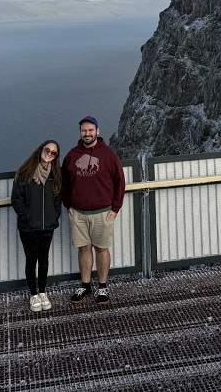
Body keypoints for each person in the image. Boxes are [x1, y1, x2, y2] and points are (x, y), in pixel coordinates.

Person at [62, 115, 125, 305]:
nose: (87, 133)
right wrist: (68, 205)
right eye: (84, 130)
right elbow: (64, 182)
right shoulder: (72, 155)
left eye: (90, 130)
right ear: (80, 133)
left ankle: (103, 286)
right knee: (84, 249)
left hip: (103, 212)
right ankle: (86, 285)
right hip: (78, 213)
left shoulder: (108, 154)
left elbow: (119, 181)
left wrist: (115, 209)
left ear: (97, 131)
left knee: (102, 249)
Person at [10, 139, 63, 312]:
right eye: (47, 150)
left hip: (47, 226)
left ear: (55, 157)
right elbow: (16, 199)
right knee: (31, 259)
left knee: (44, 259)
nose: (49, 153)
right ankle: (33, 295)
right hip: (29, 227)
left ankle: (42, 292)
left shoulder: (55, 175)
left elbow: (57, 198)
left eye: (53, 152)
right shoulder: (25, 173)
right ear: (40, 150)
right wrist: (27, 218)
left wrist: (55, 215)